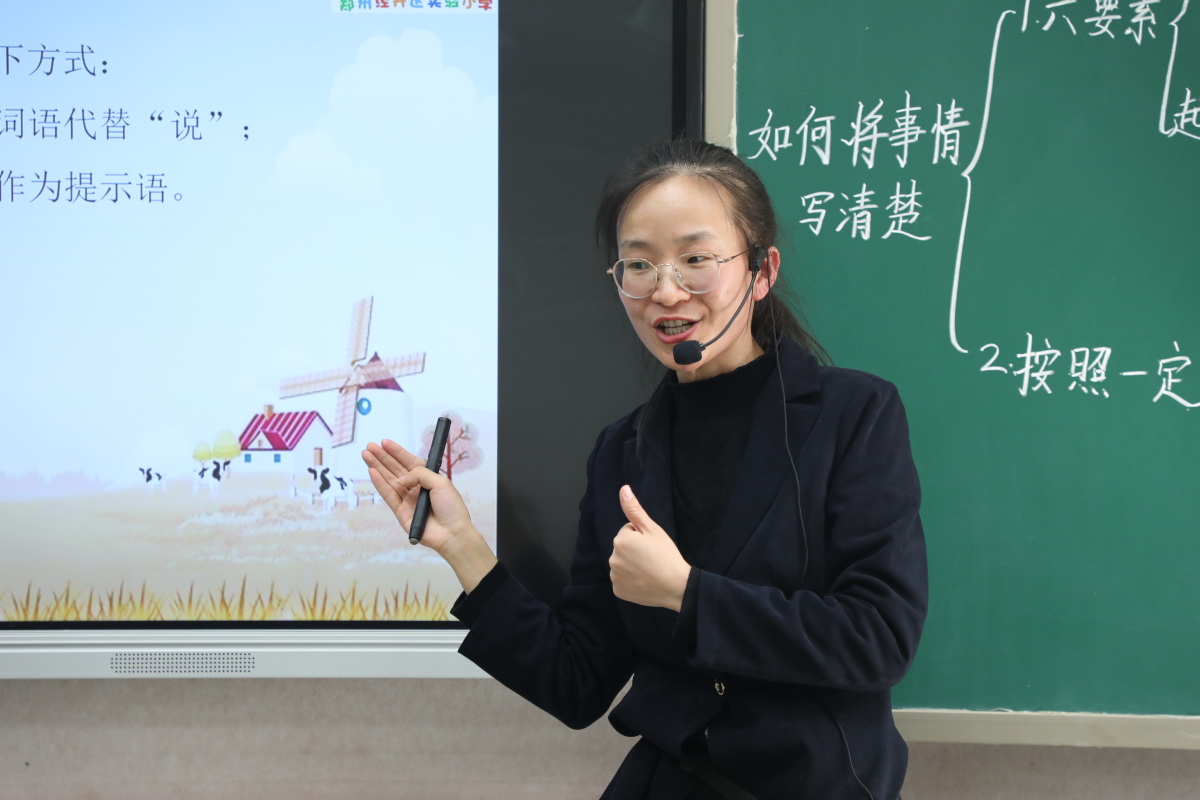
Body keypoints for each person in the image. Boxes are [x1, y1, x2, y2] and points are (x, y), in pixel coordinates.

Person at [362, 139, 927, 800]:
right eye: (638, 265)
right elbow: (577, 682)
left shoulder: (853, 414)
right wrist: (462, 546)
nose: (665, 290)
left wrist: (688, 593)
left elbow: (879, 637)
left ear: (762, 270)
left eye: (696, 260)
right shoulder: (622, 450)